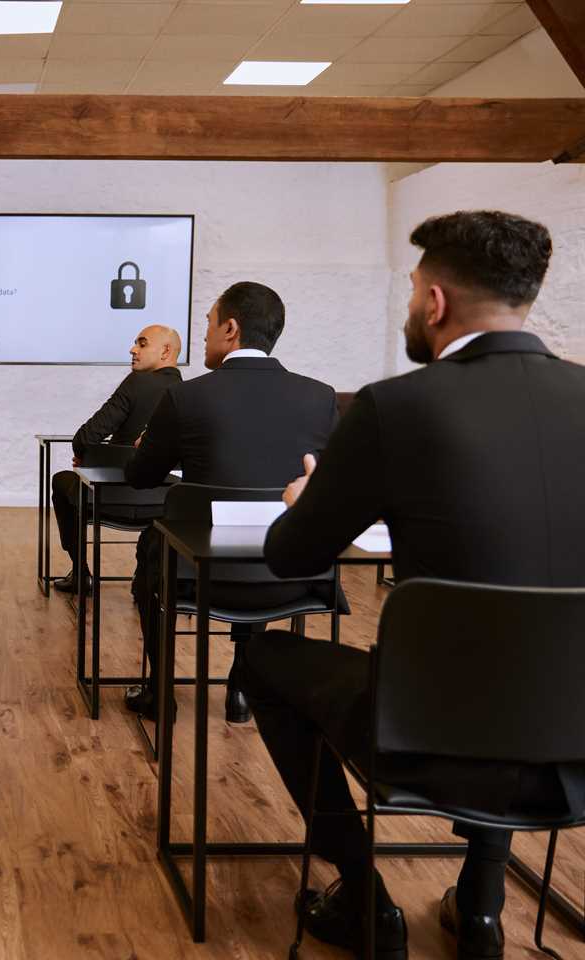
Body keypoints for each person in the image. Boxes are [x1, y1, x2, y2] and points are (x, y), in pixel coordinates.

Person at [242, 210, 585, 960]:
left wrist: (304, 502)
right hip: (574, 744)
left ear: (434, 303)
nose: (409, 309)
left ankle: (364, 898)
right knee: (519, 666)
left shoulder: (395, 408)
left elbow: (292, 560)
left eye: (410, 294)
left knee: (262, 660)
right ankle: (482, 908)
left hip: (429, 739)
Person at [124, 282, 339, 723]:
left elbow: (139, 477)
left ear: (231, 329)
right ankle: (240, 689)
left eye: (207, 324)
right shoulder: (320, 398)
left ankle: (160, 691)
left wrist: (161, 448)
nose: (202, 336)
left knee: (156, 545)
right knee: (259, 525)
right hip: (294, 575)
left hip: (196, 575)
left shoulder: (186, 396)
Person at [50, 324, 183, 593]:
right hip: (166, 505)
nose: (132, 349)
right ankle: (146, 579)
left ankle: (81, 573)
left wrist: (90, 461)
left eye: (142, 344)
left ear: (166, 350)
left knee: (60, 482)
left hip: (114, 498)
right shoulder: (189, 392)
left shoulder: (137, 383)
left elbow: (85, 438)